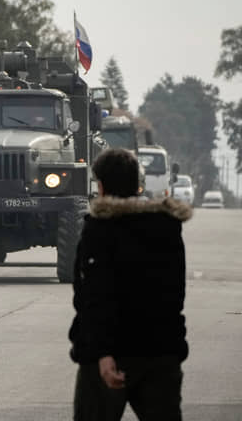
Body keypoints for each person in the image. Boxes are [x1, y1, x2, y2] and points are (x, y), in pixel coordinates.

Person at [69, 148, 190, 420]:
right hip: (161, 353)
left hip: (109, 360)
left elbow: (94, 297)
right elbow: (174, 295)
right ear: (138, 184)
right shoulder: (167, 228)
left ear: (100, 186)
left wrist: (102, 353)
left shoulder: (100, 229)